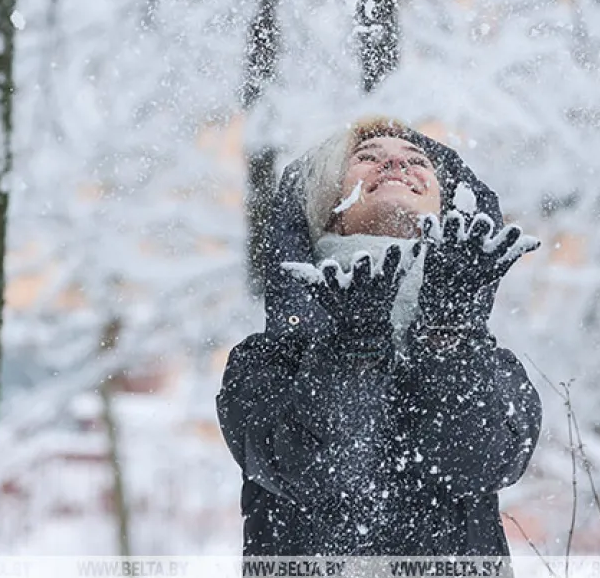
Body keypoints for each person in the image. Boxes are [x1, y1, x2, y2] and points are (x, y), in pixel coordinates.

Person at [216, 116, 543, 556]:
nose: (395, 163)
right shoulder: (268, 362)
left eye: (417, 160)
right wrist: (354, 346)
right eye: (368, 158)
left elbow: (473, 463)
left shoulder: (491, 364)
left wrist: (445, 331)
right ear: (325, 204)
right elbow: (310, 469)